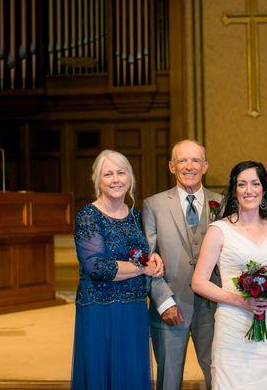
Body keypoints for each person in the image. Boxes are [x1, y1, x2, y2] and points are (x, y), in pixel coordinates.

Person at [191, 161, 267, 389]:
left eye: (255, 183)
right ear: (234, 190)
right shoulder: (219, 230)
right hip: (233, 324)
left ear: (264, 190)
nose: (248, 190)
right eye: (242, 184)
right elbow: (199, 282)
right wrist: (242, 301)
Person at [71, 149, 164, 390]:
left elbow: (141, 252)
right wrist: (143, 268)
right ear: (98, 182)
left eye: (121, 173)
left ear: (130, 177)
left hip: (133, 307)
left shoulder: (134, 215)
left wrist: (151, 257)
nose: (116, 179)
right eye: (108, 174)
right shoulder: (88, 216)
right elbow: (98, 267)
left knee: (131, 375)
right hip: (100, 308)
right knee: (101, 374)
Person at [142, 139, 223, 390]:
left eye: (196, 160)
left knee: (218, 374)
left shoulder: (222, 203)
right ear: (171, 166)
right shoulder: (153, 205)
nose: (189, 166)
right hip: (170, 306)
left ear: (205, 166)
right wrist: (164, 301)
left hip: (212, 308)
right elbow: (146, 259)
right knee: (169, 379)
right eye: (182, 160)